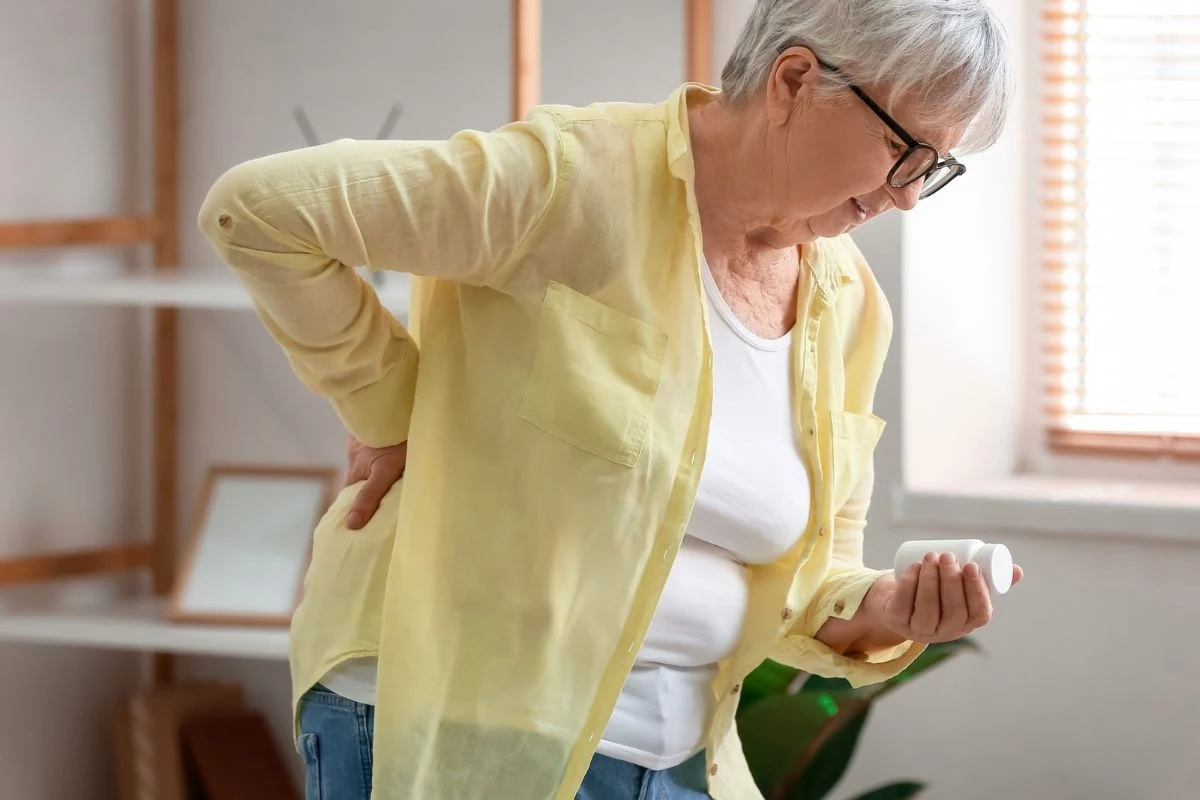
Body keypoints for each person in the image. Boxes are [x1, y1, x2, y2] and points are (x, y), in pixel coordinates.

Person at [199, 1, 1023, 798]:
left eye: (937, 170)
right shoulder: (570, 179)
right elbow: (260, 211)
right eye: (906, 149)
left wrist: (892, 609)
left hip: (677, 761)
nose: (910, 194)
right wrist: (387, 414)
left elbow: (813, 582)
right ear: (795, 80)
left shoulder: (847, 304)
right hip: (456, 726)